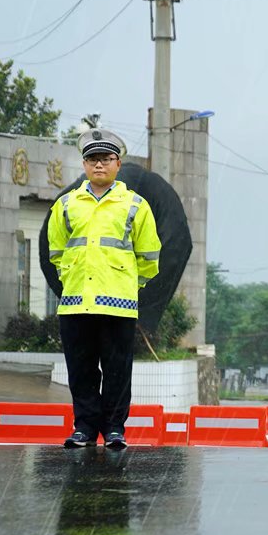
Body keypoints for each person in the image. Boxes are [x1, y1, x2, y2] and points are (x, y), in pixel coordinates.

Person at [47, 129, 161, 449]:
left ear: (118, 163)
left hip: (119, 304)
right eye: (92, 159)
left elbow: (149, 256)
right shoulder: (67, 204)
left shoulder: (136, 205)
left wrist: (127, 283)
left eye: (106, 159)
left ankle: (114, 429)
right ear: (84, 164)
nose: (99, 165)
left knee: (116, 370)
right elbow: (56, 252)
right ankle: (83, 428)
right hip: (76, 303)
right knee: (81, 369)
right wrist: (71, 277)